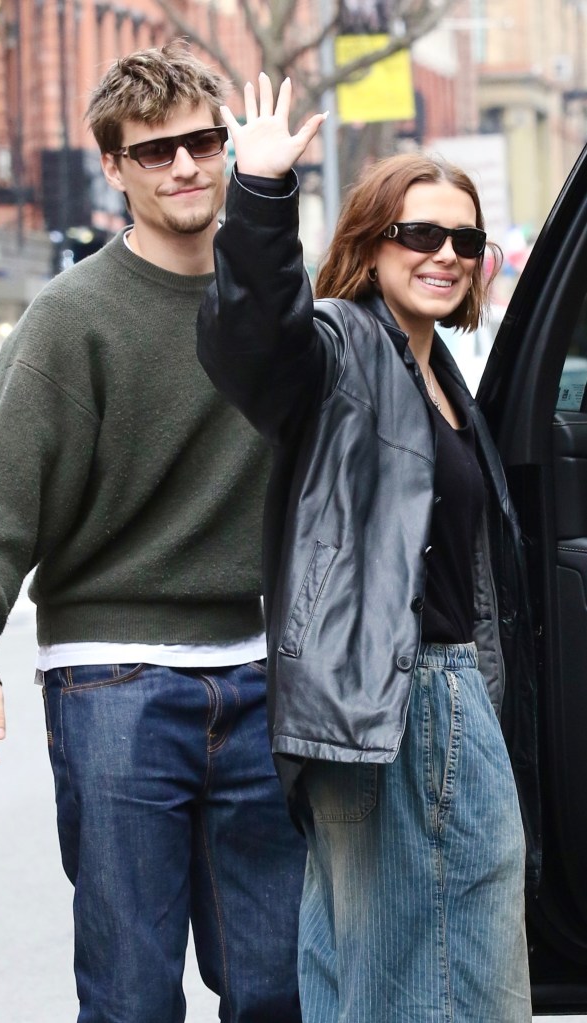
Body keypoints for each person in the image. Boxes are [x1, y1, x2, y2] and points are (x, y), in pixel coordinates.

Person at [0, 45, 305, 1023]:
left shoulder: (269, 304)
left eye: (201, 144)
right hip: (115, 686)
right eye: (154, 153)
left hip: (264, 674)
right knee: (134, 996)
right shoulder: (70, 318)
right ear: (114, 169)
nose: (183, 166)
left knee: (277, 988)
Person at [197, 74, 540, 1023]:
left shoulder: (442, 377)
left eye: (463, 240)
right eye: (418, 235)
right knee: (410, 972)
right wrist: (260, 193)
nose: (444, 256)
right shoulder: (343, 346)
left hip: (439, 695)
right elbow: (252, 343)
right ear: (368, 243)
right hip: (387, 700)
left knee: (404, 964)